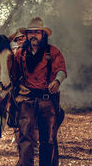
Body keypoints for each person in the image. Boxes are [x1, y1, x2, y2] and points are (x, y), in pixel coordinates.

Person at [12, 17, 67, 166]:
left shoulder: (52, 51)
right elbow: (12, 75)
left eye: (37, 32)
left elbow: (61, 70)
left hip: (47, 101)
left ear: (43, 34)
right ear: (27, 35)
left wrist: (57, 81)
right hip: (26, 100)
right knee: (25, 139)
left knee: (48, 140)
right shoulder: (19, 54)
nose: (33, 35)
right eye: (30, 33)